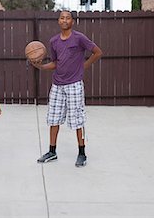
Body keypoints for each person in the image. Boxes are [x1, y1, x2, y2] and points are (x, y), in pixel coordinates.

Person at [31, 10, 102, 167]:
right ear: (58, 21)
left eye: (67, 18)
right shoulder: (54, 41)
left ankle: (82, 153)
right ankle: (52, 152)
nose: (64, 20)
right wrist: (41, 66)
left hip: (74, 85)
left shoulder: (79, 38)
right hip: (57, 85)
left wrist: (84, 66)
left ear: (72, 21)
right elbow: (55, 63)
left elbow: (97, 52)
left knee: (77, 119)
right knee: (53, 118)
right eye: (62, 18)